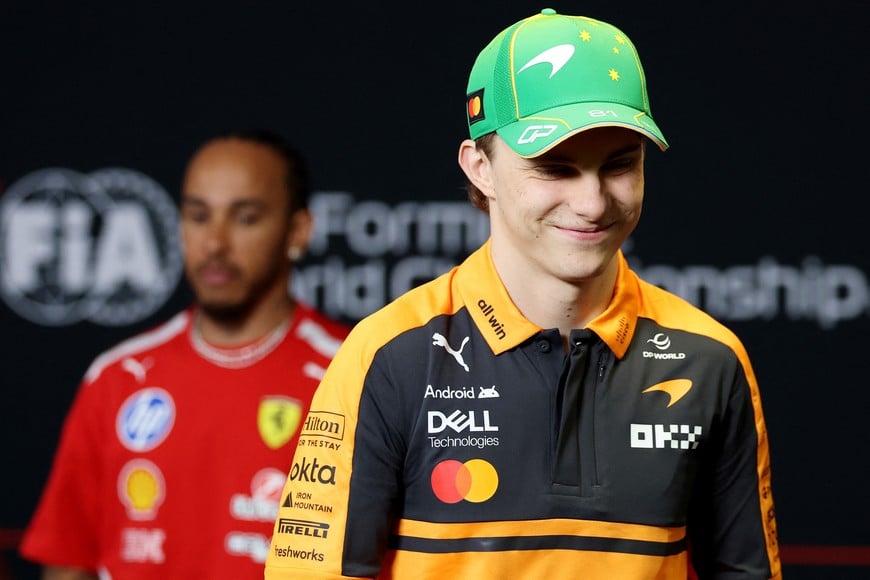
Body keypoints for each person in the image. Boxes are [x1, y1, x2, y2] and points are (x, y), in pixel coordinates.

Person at [264, 9, 780, 580]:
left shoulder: (710, 358)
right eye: (554, 168)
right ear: (479, 167)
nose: (592, 203)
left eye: (620, 165)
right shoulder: (388, 356)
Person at [19, 129, 351, 579]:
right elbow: (67, 561)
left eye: (245, 218)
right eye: (198, 216)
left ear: (298, 231)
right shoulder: (119, 376)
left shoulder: (353, 374)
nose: (214, 243)